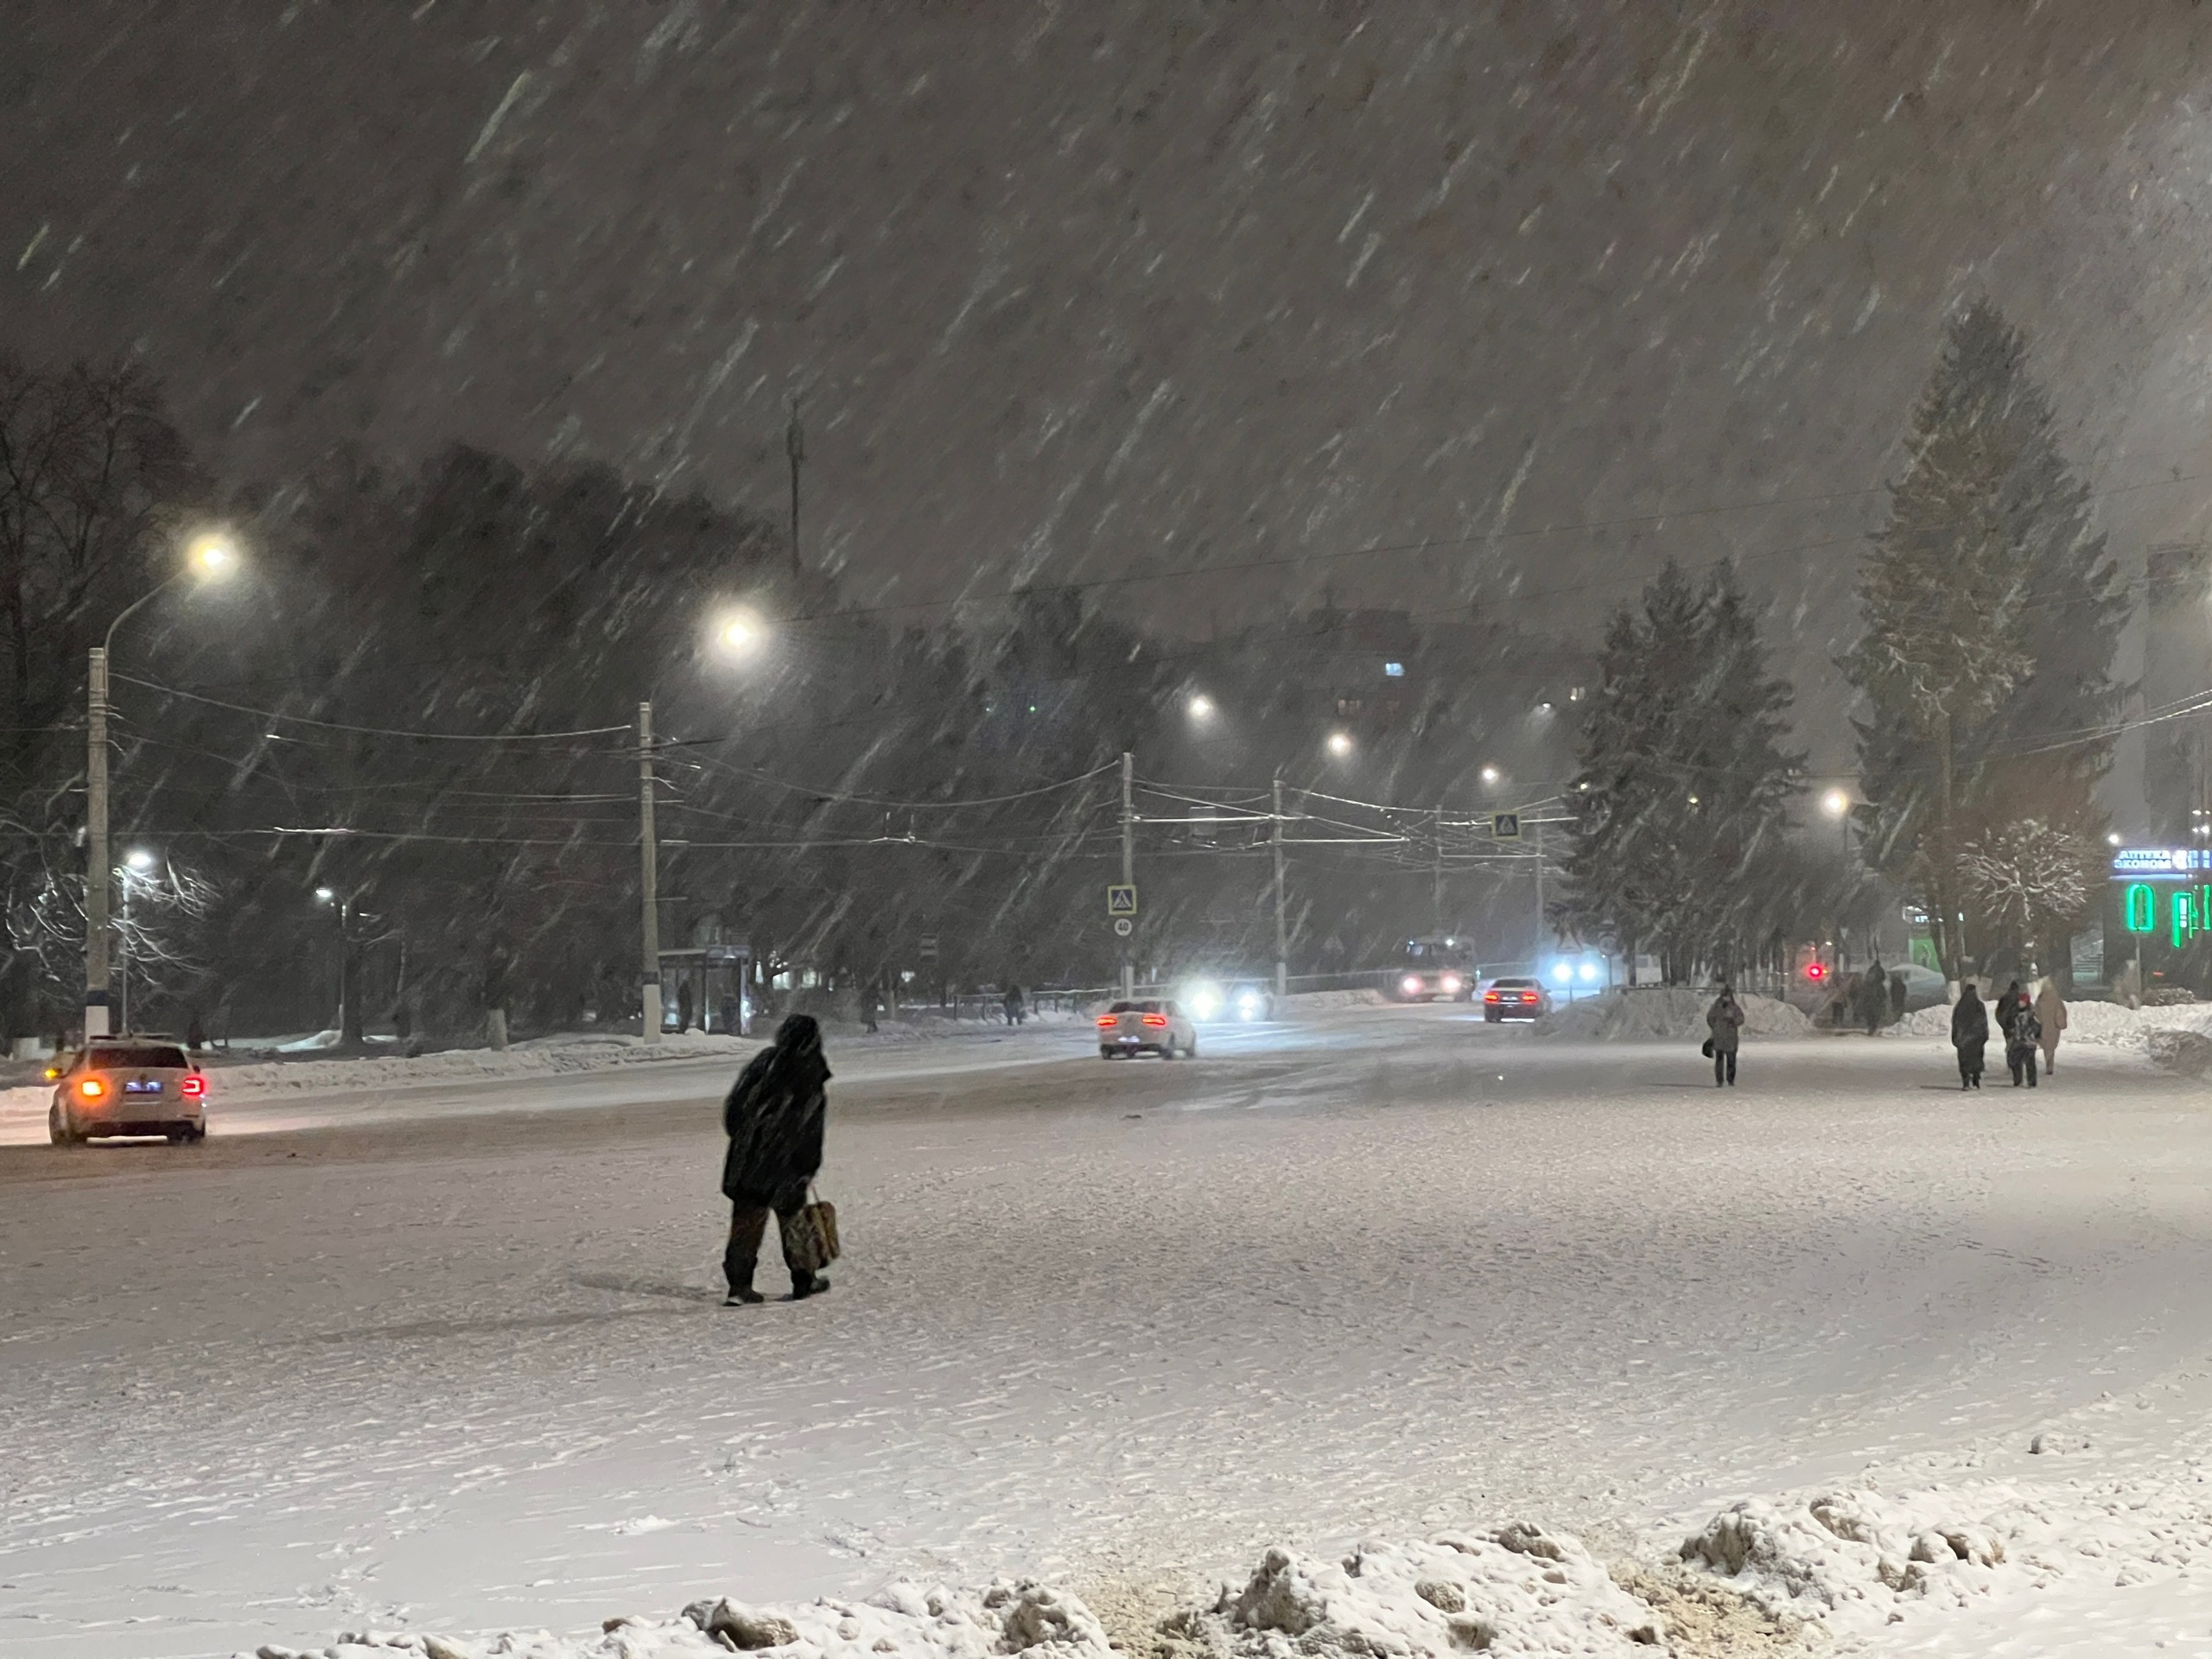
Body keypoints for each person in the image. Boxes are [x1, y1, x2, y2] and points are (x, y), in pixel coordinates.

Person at [720, 1013, 832, 1305]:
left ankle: (739, 1286)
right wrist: (807, 1165)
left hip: (750, 1160)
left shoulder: (764, 1063)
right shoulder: (810, 1071)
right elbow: (810, 1128)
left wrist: (748, 1140)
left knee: (746, 1222)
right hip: (786, 1163)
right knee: (793, 1221)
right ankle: (804, 1280)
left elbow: (734, 1109)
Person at [1951, 981, 1989, 1090]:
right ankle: (1976, 1081)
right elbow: (1983, 1022)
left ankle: (1966, 1082)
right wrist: (1984, 1036)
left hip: (1963, 1040)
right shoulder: (1979, 1006)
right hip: (1976, 1040)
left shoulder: (1960, 1006)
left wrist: (1956, 1038)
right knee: (1976, 1060)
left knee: (1964, 1061)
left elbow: (1955, 1023)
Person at [1706, 983, 1744, 1086]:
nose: (1726, 998)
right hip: (1719, 1037)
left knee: (1731, 1059)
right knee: (1719, 1060)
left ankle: (1730, 1080)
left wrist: (1733, 1021)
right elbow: (1709, 1018)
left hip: (1730, 1037)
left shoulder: (1734, 1008)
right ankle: (1719, 1080)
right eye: (1725, 996)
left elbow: (1741, 1019)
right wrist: (1715, 1026)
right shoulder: (1716, 1007)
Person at [2035, 976, 2068, 1076]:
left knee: (2045, 1045)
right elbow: (2061, 1012)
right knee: (2051, 1046)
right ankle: (2050, 1065)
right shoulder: (2056, 998)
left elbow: (2035, 1012)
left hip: (2042, 1026)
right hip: (2053, 1026)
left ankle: (2048, 1063)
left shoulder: (2040, 999)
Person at [2007, 998, 2043, 1088]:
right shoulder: (2014, 1013)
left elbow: (2037, 1027)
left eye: (2022, 1002)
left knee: (2030, 1063)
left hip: (2029, 1042)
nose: (2020, 1003)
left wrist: (2033, 1035)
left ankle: (2032, 1082)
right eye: (2020, 1001)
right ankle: (2017, 1080)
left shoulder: (2031, 1014)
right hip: (2017, 1041)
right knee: (2015, 1061)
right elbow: (2010, 1024)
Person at [1859, 957, 1888, 1036]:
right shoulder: (1878, 985)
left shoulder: (1868, 985)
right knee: (1874, 1016)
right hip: (1874, 1003)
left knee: (1871, 1016)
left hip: (1871, 1003)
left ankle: (1871, 1028)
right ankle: (1872, 1027)